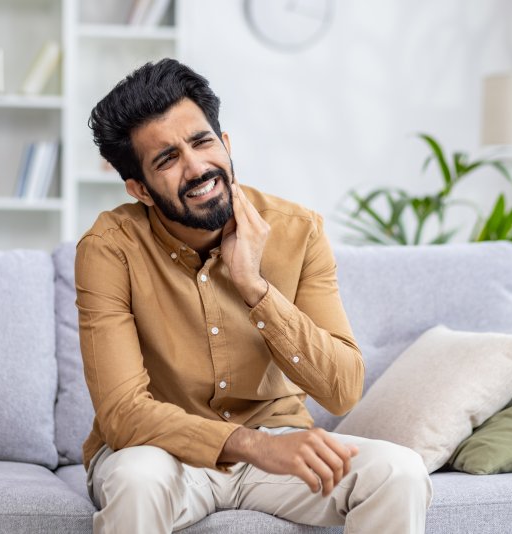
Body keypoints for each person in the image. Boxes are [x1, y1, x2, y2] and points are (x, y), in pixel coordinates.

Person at [77, 58, 432, 534]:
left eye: (201, 142)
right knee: (136, 480)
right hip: (161, 453)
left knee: (398, 473)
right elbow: (123, 415)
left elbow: (343, 388)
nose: (196, 167)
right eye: (167, 159)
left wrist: (254, 288)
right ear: (139, 189)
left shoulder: (298, 231)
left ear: (224, 143)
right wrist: (254, 445)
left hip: (279, 448)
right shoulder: (109, 248)